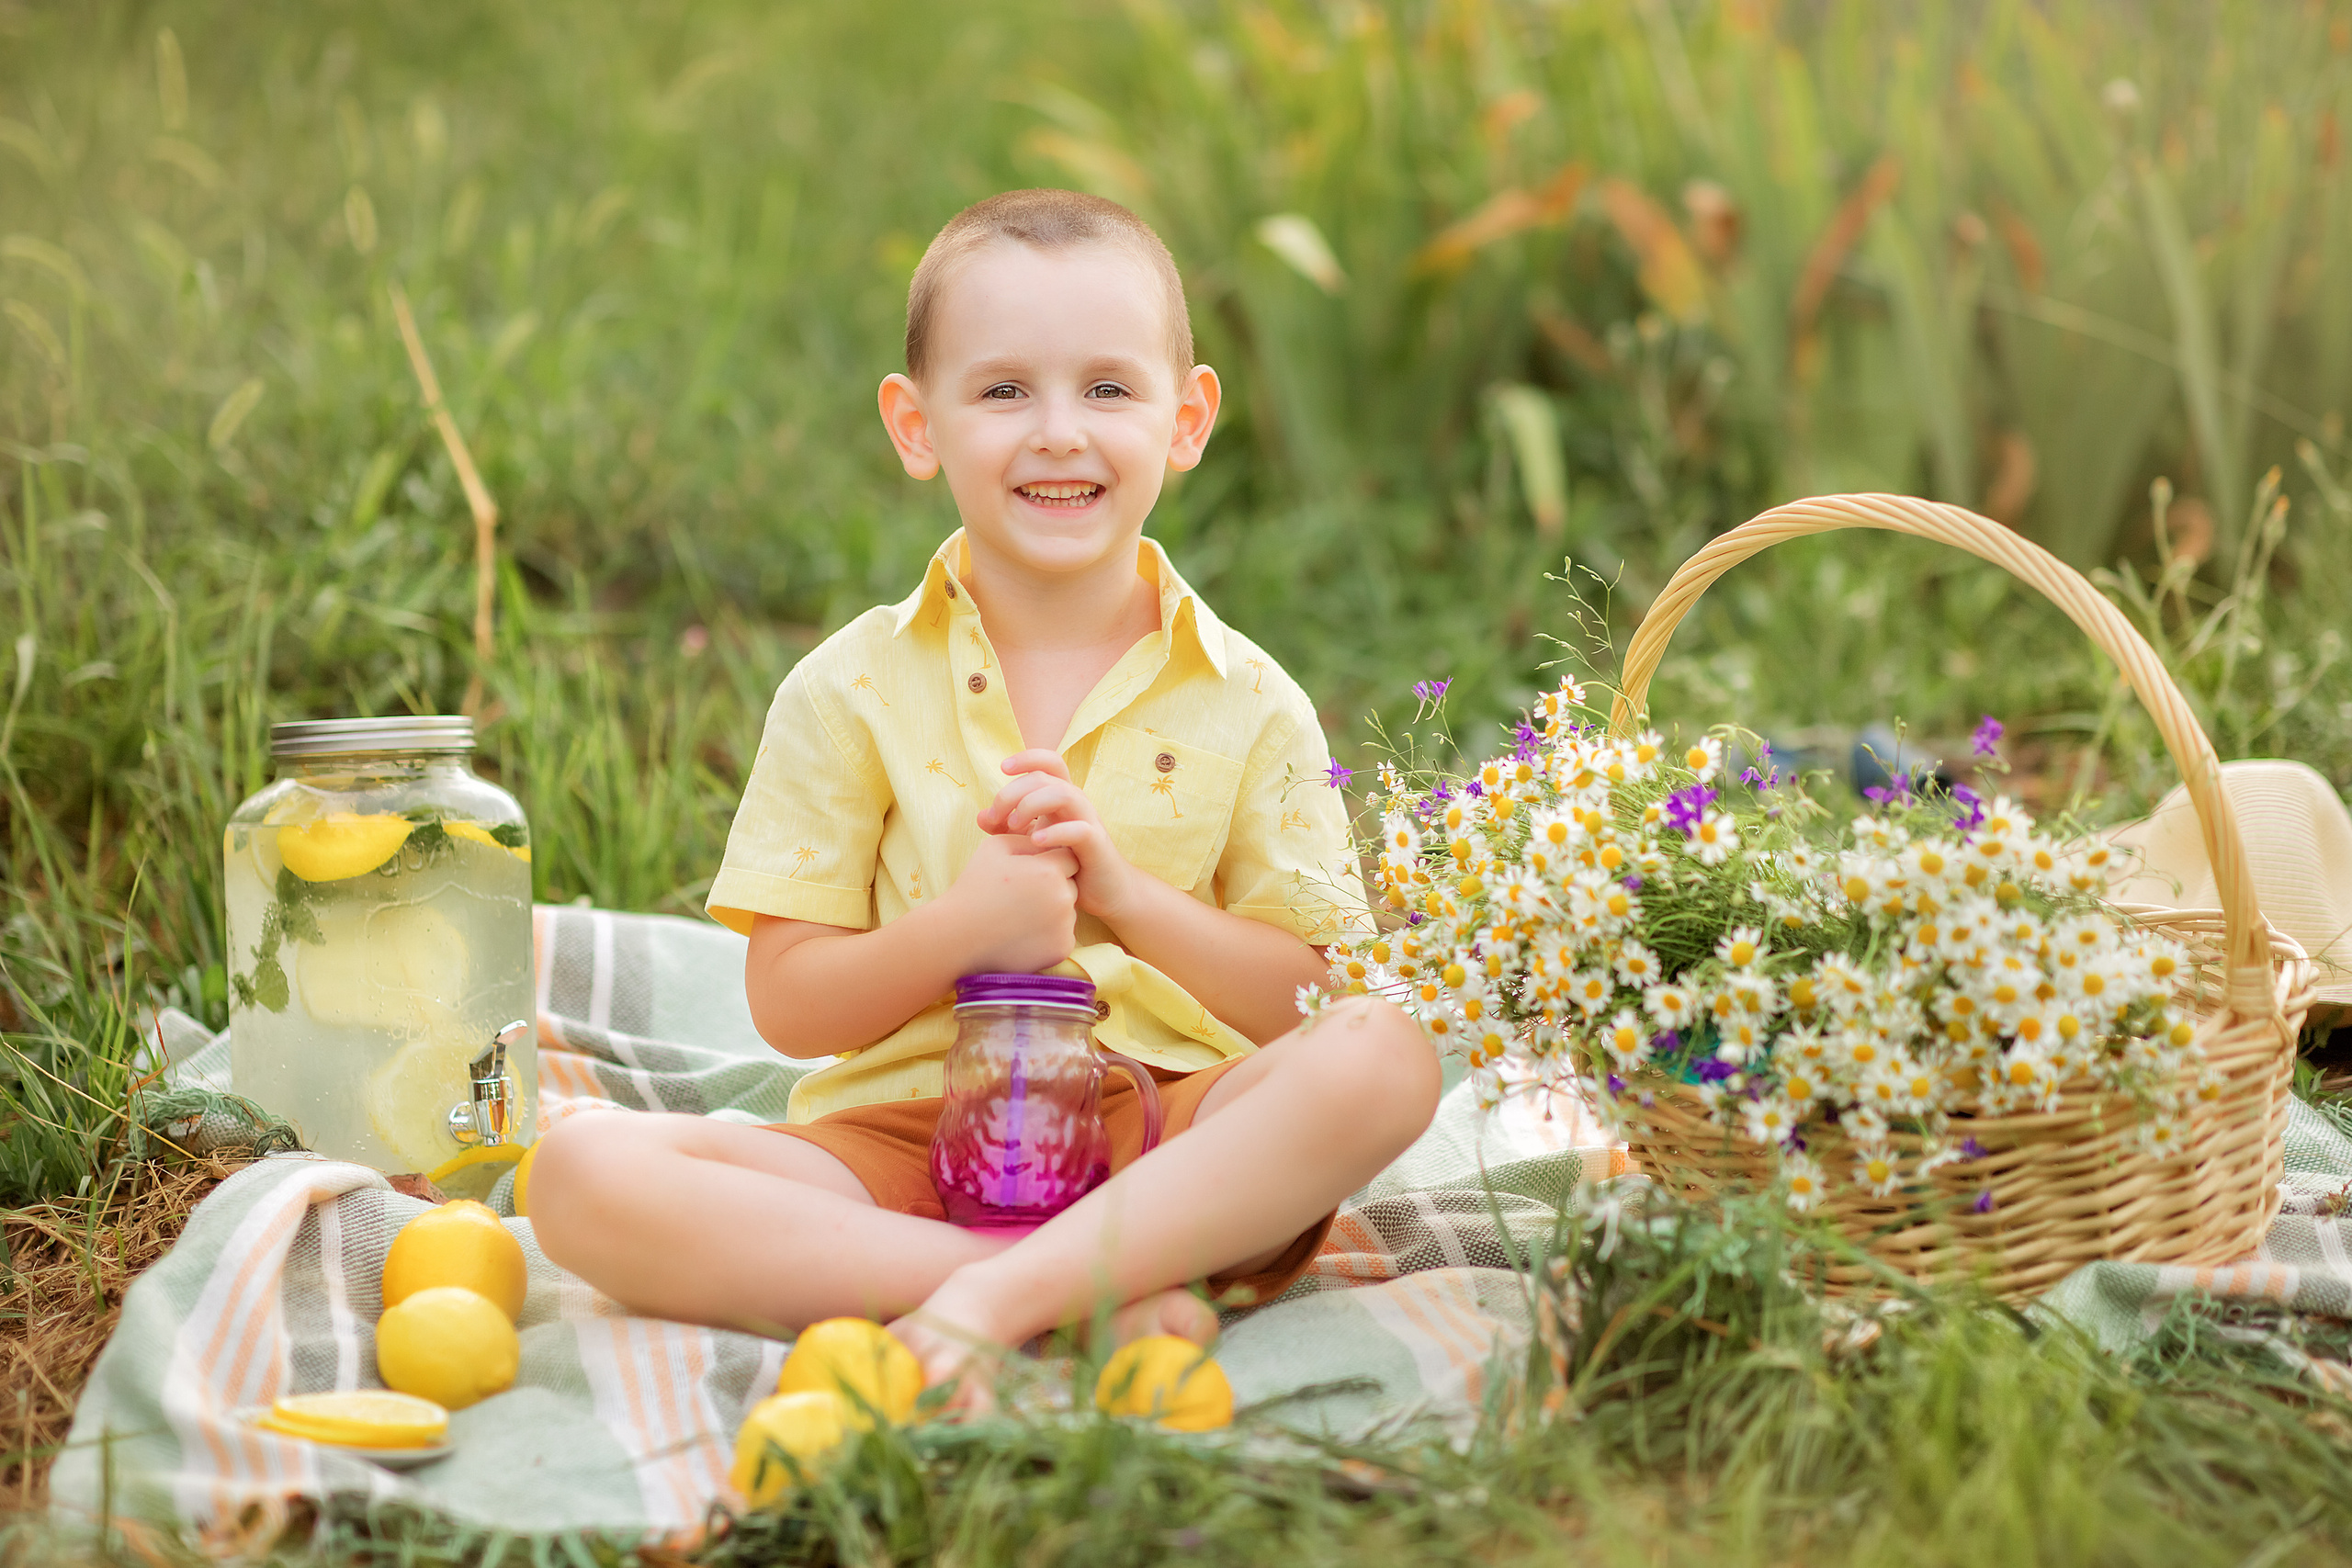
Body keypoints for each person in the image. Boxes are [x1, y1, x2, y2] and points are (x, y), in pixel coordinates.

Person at [528, 189, 1440, 1394]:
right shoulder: (846, 688)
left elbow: (1310, 999)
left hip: (1168, 1141)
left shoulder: (1250, 697)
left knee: (1390, 1051)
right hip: (900, 1135)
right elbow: (792, 1009)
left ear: (1188, 417)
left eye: (1109, 388)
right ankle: (1053, 1285)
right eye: (1004, 390)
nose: (1058, 431)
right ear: (918, 427)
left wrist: (1128, 895)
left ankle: (1000, 1297)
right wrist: (963, 932)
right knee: (579, 1175)